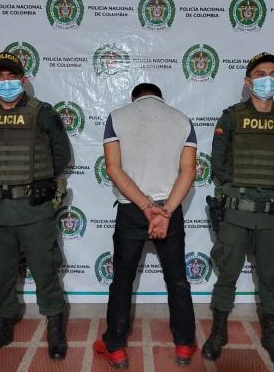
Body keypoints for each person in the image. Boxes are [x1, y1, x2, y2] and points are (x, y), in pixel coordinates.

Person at [202, 52, 274, 369]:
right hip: (236, 213)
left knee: (270, 278)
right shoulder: (232, 117)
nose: (267, 79)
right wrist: (239, 192)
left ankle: (271, 336)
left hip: (272, 215)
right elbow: (219, 164)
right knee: (227, 275)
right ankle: (218, 332)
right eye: (260, 74)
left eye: (273, 73)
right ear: (248, 81)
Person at [0, 51, 71, 361]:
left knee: (45, 270)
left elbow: (61, 156)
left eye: (11, 76)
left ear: (23, 80)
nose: (5, 82)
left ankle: (55, 328)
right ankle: (1, 328)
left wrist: (39, 183)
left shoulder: (43, 113)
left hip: (33, 209)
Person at [93, 83, 198, 368]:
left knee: (122, 280)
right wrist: (165, 212)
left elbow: (113, 168)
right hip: (168, 210)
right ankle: (185, 344)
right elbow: (189, 170)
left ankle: (115, 347)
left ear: (134, 98)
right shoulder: (182, 120)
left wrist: (144, 206)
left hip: (132, 209)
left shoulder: (117, 117)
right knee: (177, 279)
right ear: (160, 98)